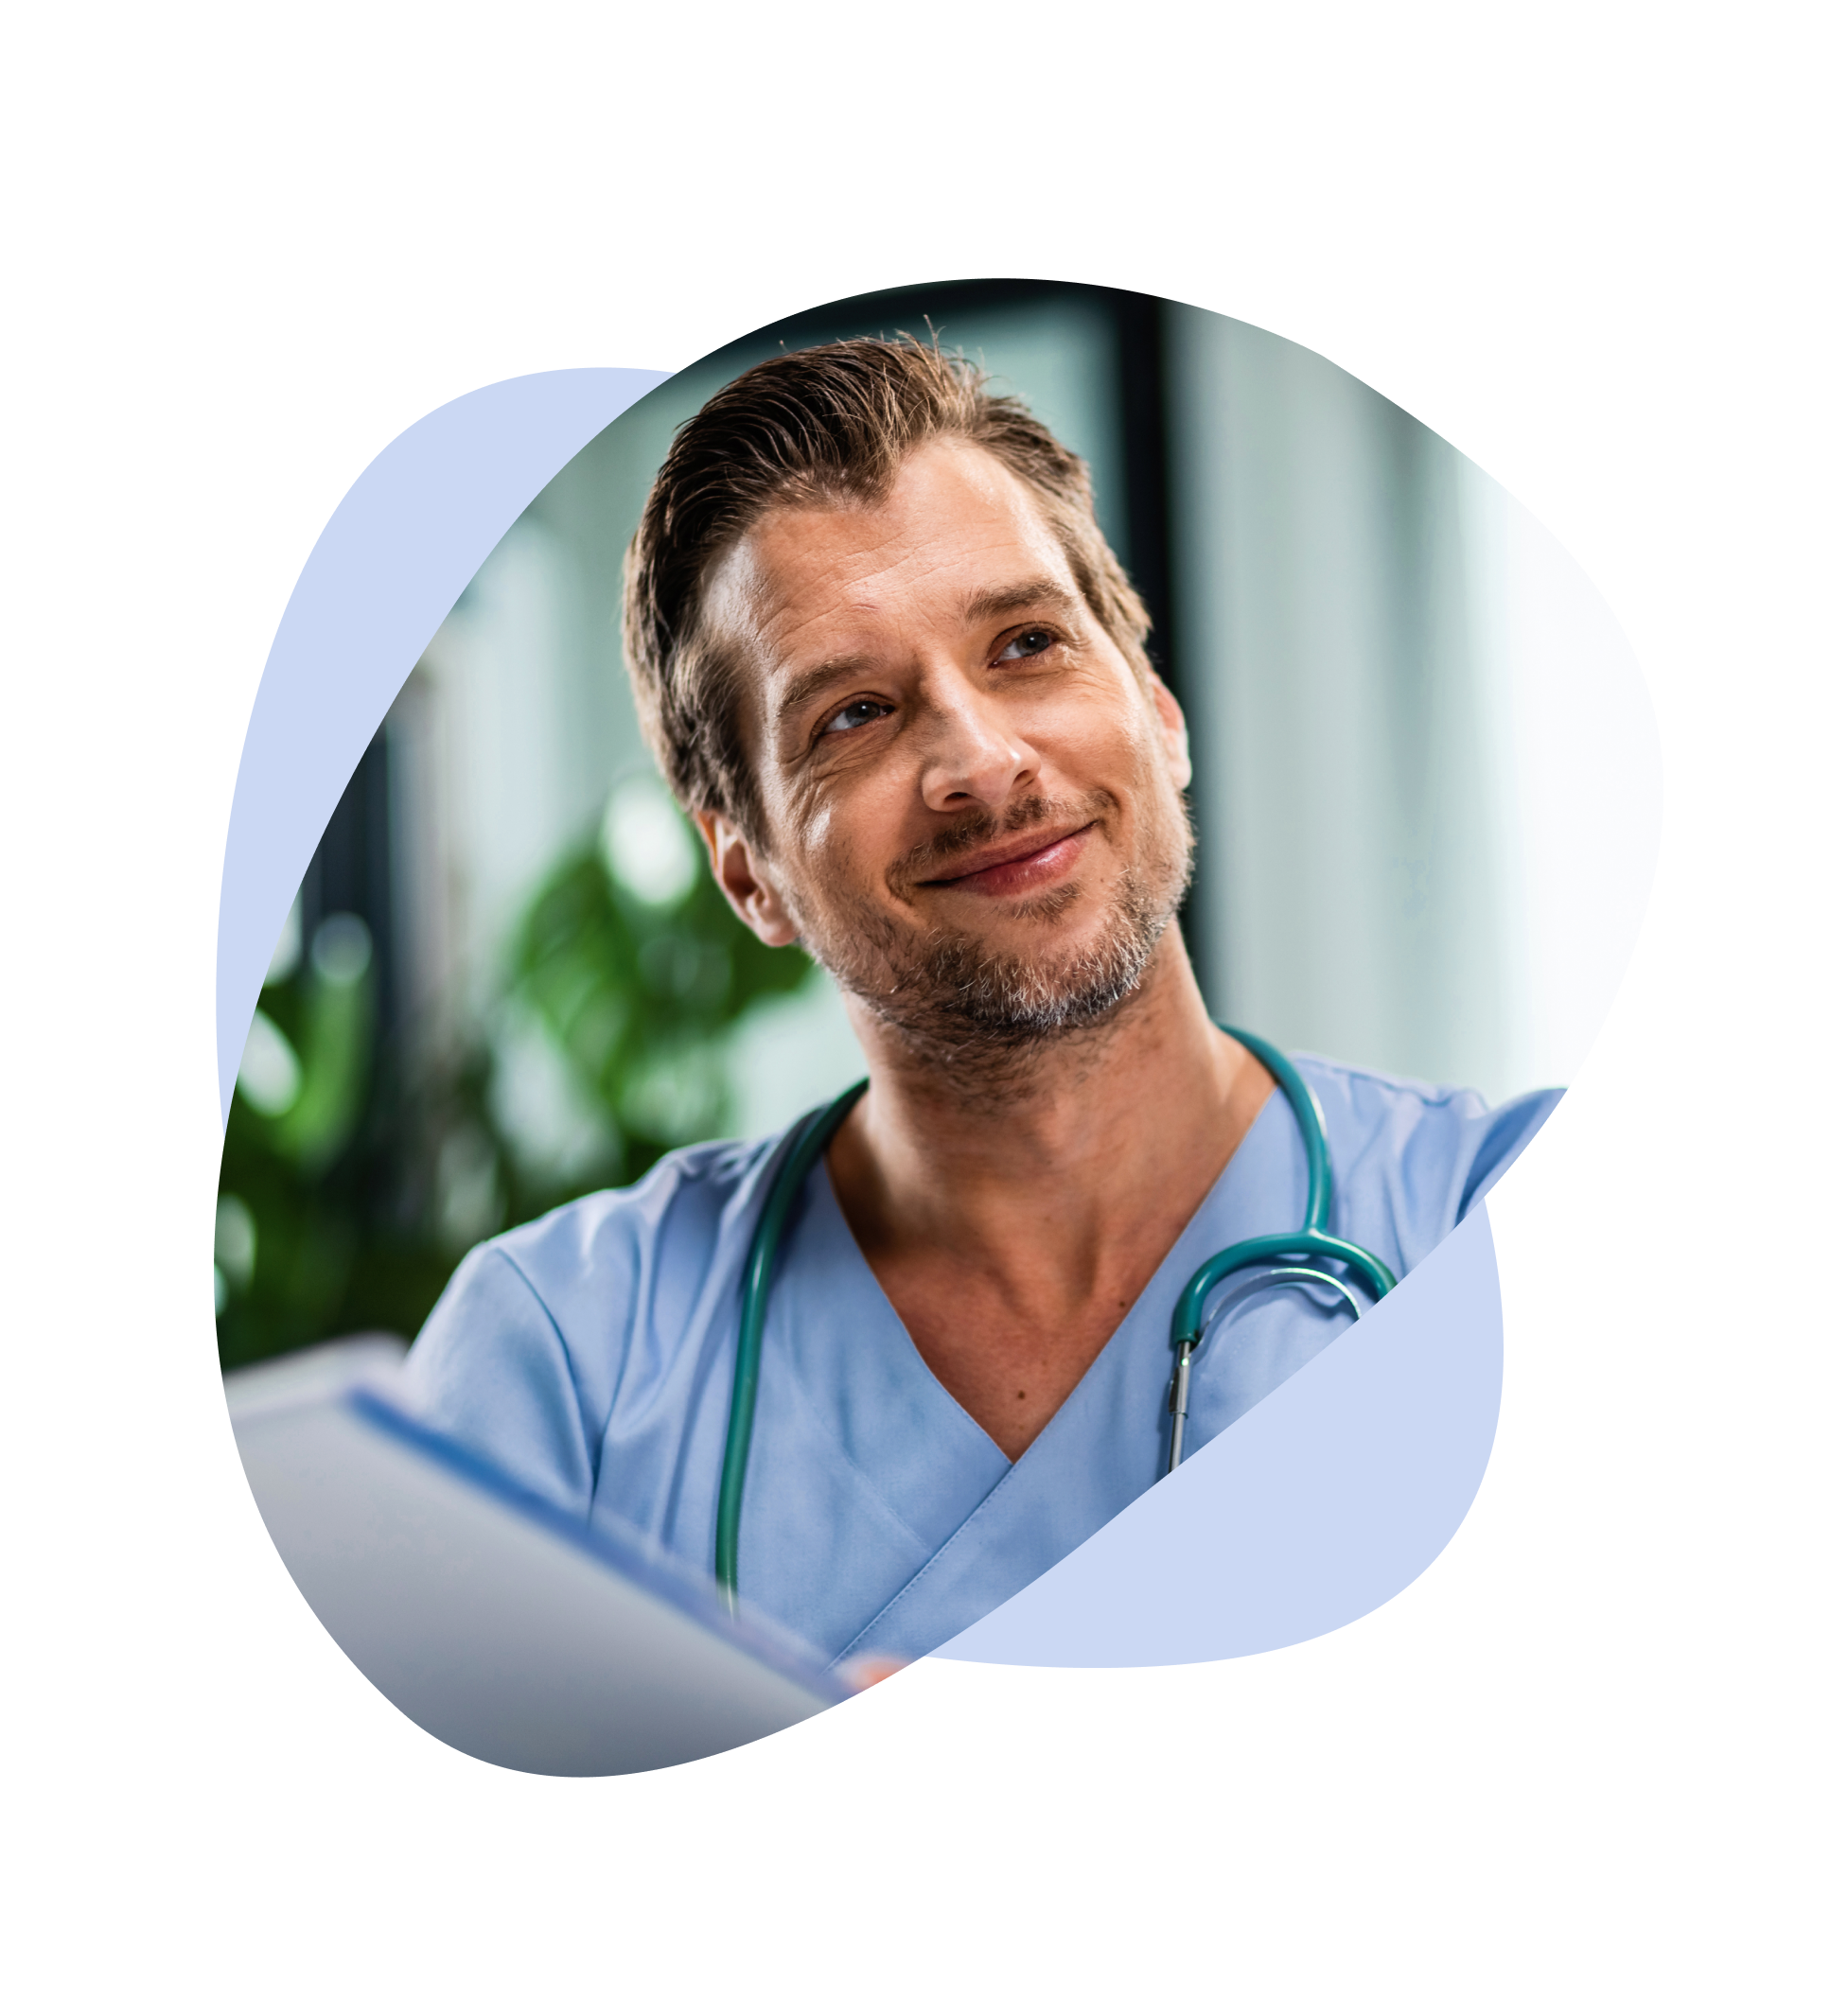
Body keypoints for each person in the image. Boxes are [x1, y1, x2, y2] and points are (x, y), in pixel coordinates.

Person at [402, 337, 1558, 1671]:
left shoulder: (1472, 1209)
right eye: (854, 714)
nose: (978, 758)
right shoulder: (569, 1367)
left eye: (1025, 644)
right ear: (750, 871)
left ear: (1159, 712)